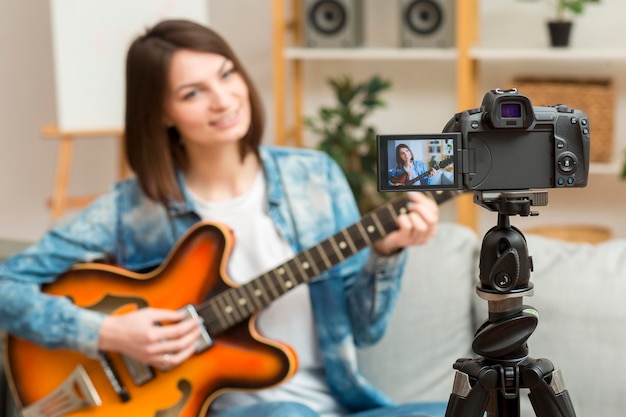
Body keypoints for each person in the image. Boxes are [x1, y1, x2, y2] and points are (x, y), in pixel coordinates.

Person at [0, 19, 443, 417]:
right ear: (160, 113)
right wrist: (110, 333)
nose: (223, 99)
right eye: (193, 93)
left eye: (227, 74)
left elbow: (364, 332)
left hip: (340, 406)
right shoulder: (132, 208)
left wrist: (386, 254)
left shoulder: (313, 176)